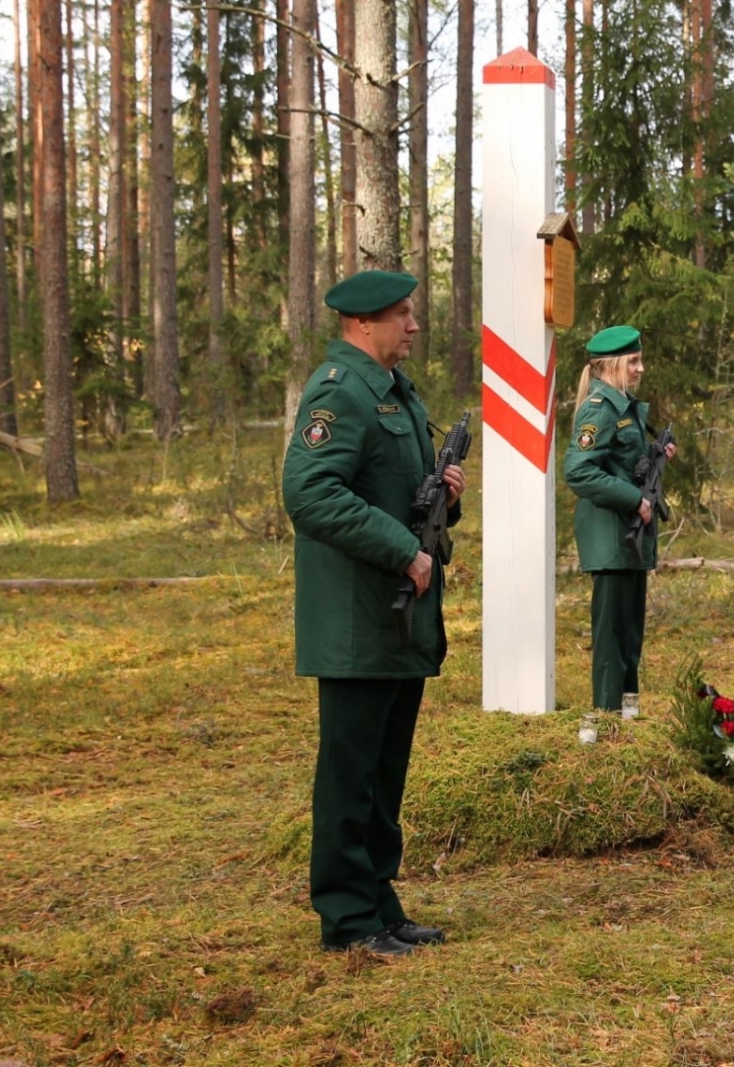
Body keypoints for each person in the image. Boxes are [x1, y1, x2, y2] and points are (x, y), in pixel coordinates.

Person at [283, 269, 465, 957]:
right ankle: (347, 919)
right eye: (402, 315)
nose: (414, 325)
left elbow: (400, 496)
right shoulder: (340, 393)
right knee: (350, 774)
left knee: (384, 774)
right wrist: (401, 551)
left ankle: (379, 903)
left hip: (397, 618)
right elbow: (309, 491)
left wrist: (447, 493)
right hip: (359, 620)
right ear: (363, 324)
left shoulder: (396, 394)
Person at [564, 325, 674, 717]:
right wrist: (633, 499)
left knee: (630, 633)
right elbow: (579, 471)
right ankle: (608, 718)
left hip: (629, 539)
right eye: (633, 361)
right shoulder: (599, 409)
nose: (641, 368)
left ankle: (628, 714)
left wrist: (654, 456)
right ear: (612, 366)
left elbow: (623, 465)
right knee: (611, 636)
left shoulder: (625, 408)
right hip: (611, 538)